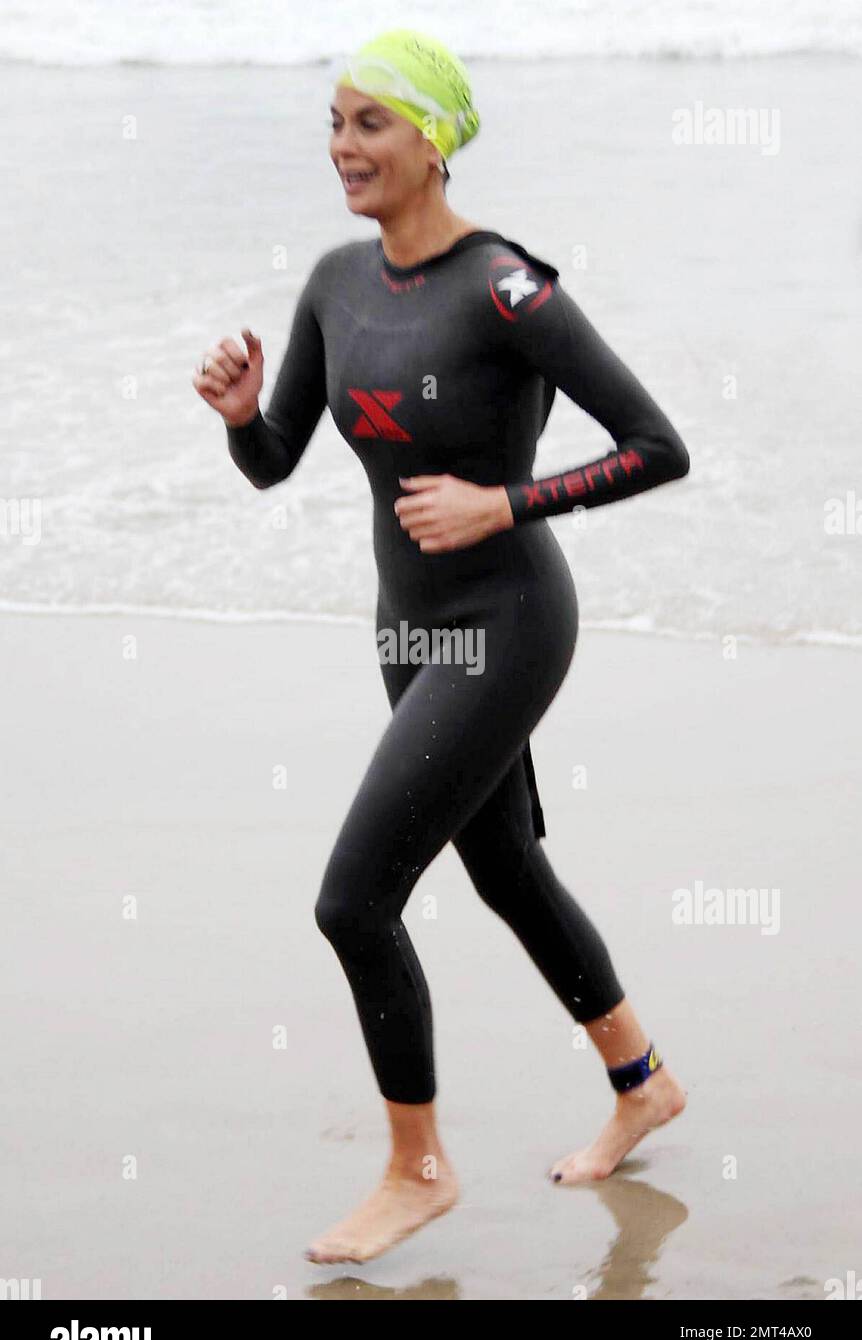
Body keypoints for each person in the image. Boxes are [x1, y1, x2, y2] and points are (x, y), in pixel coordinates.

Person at [193, 28, 688, 1266]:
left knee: (353, 901)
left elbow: (656, 445)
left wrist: (501, 504)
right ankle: (643, 1083)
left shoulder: (504, 288)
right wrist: (242, 417)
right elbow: (273, 463)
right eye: (334, 121)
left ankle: (417, 1171)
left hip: (506, 621)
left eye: (370, 123)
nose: (342, 146)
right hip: (406, 625)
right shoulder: (334, 282)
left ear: (434, 140)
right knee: (506, 868)